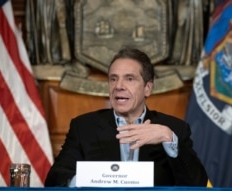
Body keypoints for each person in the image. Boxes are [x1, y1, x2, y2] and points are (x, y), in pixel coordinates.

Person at [44, 47, 208, 186]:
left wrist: (169, 138)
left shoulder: (174, 129)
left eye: (130, 79)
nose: (119, 86)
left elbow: (197, 183)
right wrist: (86, 180)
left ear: (147, 88)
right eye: (113, 79)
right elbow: (55, 179)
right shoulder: (84, 127)